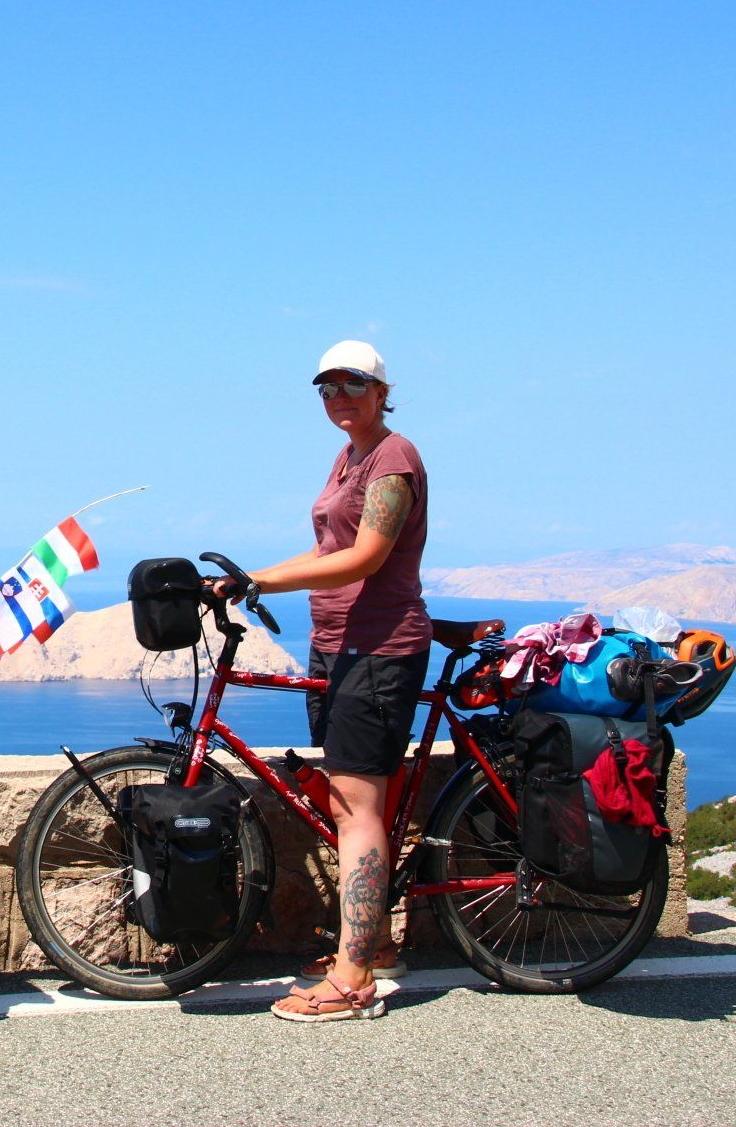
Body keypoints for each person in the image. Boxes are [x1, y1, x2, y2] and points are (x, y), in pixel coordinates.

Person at [214, 340, 431, 1024]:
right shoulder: (349, 456)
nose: (339, 397)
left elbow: (366, 557)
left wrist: (264, 580)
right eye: (327, 388)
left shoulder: (393, 458)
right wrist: (250, 577)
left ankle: (354, 980)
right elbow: (327, 551)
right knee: (353, 802)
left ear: (381, 389)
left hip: (377, 648)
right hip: (337, 645)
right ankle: (377, 941)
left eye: (352, 384)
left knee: (355, 807)